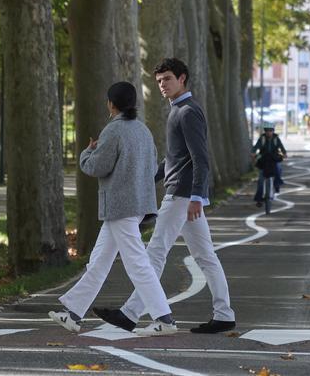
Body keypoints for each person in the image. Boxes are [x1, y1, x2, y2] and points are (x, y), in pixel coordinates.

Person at [93, 58, 236, 335]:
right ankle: (224, 314)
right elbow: (174, 160)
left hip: (181, 195)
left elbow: (201, 159)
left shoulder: (187, 112)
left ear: (182, 78)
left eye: (167, 79)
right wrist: (145, 179)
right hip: (183, 193)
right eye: (159, 81)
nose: (162, 85)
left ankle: (130, 313)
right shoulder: (179, 110)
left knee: (155, 253)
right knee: (205, 256)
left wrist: (197, 196)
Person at [48, 82, 175, 336]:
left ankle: (165, 318)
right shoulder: (143, 131)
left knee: (137, 263)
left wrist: (87, 152)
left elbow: (97, 167)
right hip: (137, 205)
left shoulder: (113, 131)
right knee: (99, 261)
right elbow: (152, 170)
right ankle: (73, 314)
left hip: (120, 207)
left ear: (111, 104)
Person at [251, 122, 287, 206]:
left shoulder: (276, 139)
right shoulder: (262, 138)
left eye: (270, 130)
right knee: (260, 180)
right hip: (263, 158)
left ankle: (277, 184)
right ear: (265, 131)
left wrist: (284, 153)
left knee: (278, 168)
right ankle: (259, 199)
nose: (269, 132)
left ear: (273, 131)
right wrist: (253, 152)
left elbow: (281, 147)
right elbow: (256, 147)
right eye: (267, 130)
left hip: (274, 158)